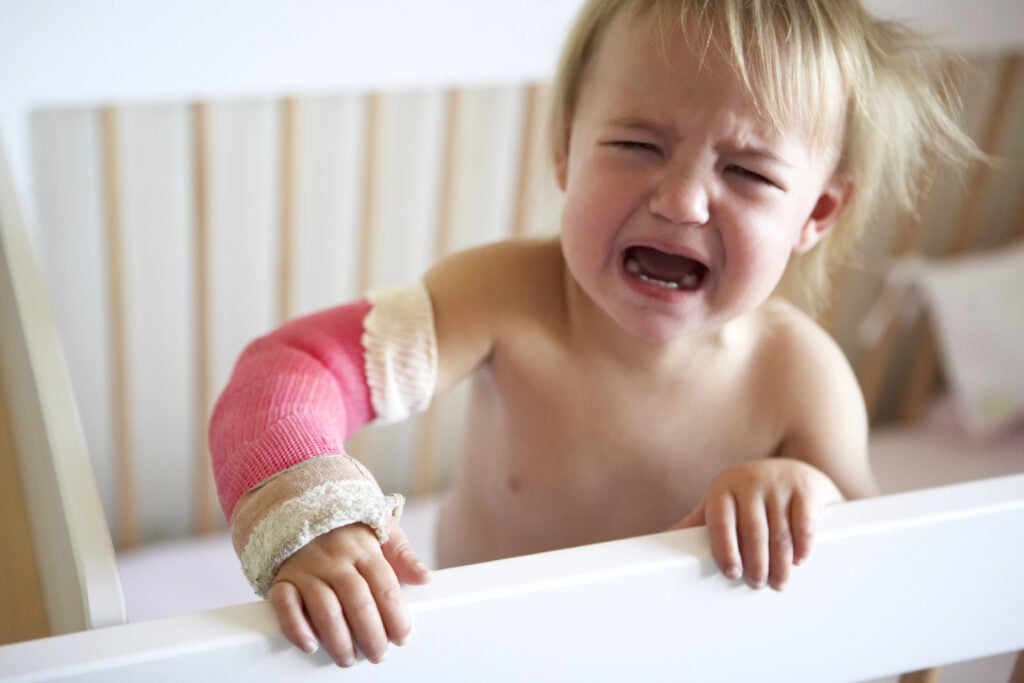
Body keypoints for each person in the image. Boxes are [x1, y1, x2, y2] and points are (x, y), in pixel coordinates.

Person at [209, 0, 978, 668]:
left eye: (747, 173)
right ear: (565, 147)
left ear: (815, 214)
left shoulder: (800, 375)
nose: (681, 201)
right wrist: (310, 513)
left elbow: (880, 573)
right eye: (638, 145)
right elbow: (294, 368)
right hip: (482, 657)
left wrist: (812, 498)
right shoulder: (501, 298)